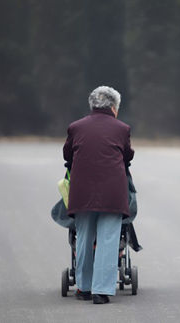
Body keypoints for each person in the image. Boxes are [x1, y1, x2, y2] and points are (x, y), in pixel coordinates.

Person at [63, 85, 134, 304]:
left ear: (92, 105)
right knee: (108, 239)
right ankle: (101, 291)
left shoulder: (75, 127)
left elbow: (67, 154)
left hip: (81, 192)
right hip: (112, 192)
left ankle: (84, 287)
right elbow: (127, 156)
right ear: (113, 107)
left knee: (83, 238)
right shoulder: (122, 128)